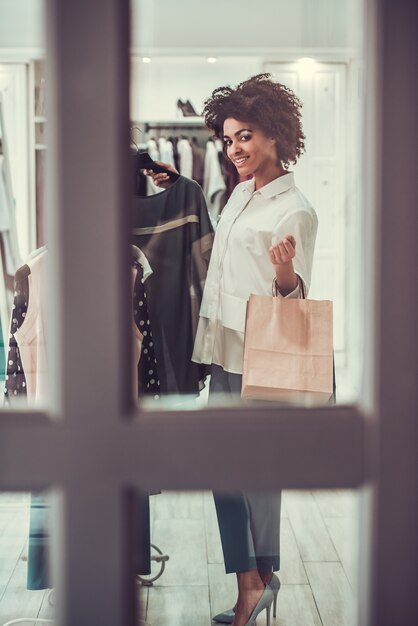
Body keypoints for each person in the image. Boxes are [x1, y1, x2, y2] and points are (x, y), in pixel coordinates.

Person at [146, 73, 318, 626]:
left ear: (273, 134)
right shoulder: (242, 192)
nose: (234, 148)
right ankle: (255, 580)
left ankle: (254, 585)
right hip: (221, 350)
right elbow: (218, 262)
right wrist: (174, 184)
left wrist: (286, 271)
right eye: (227, 138)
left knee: (255, 473)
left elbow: (295, 299)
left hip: (259, 358)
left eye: (244, 136)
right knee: (228, 468)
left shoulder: (297, 210)